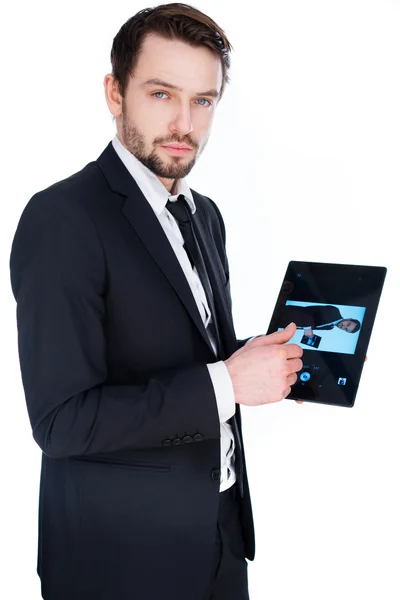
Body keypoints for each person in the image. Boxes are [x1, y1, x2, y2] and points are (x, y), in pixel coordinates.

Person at [9, 4, 303, 600]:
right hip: (117, 562)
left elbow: (185, 351)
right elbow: (62, 421)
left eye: (203, 100)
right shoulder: (62, 218)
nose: (184, 124)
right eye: (162, 93)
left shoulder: (204, 215)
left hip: (219, 538)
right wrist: (227, 383)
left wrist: (259, 357)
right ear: (115, 93)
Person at [276, 303, 361, 338]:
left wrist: (310, 336)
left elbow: (312, 326)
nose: (344, 326)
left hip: (286, 325)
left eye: (346, 329)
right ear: (349, 319)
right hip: (287, 313)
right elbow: (311, 310)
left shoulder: (330, 328)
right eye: (348, 324)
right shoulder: (334, 310)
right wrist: (308, 328)